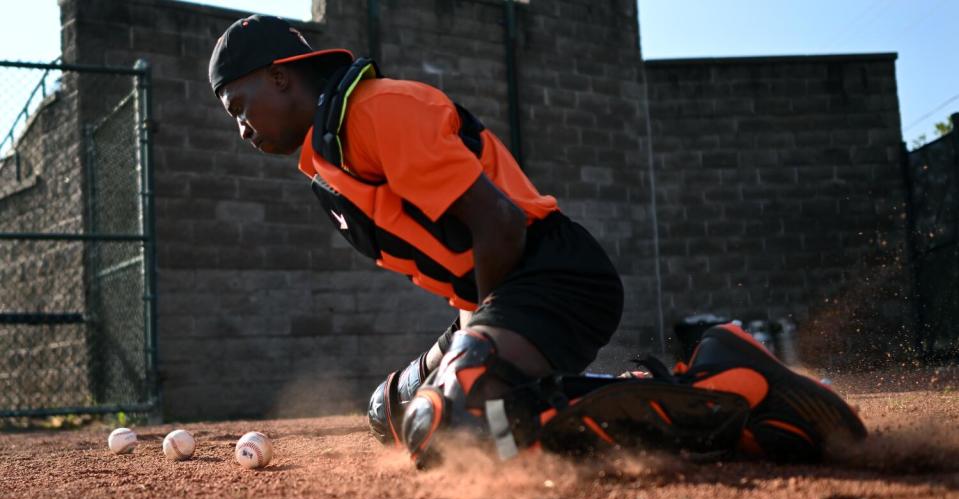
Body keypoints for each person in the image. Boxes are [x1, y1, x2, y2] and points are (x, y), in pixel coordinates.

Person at [208, 15, 867, 468]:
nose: (240, 127)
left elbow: (500, 225)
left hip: (552, 275)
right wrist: (470, 342)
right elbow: (453, 262)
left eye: (239, 106)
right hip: (501, 293)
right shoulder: (325, 165)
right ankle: (607, 391)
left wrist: (480, 346)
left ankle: (728, 382)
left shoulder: (378, 110)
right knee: (393, 409)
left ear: (281, 76)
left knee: (460, 422)